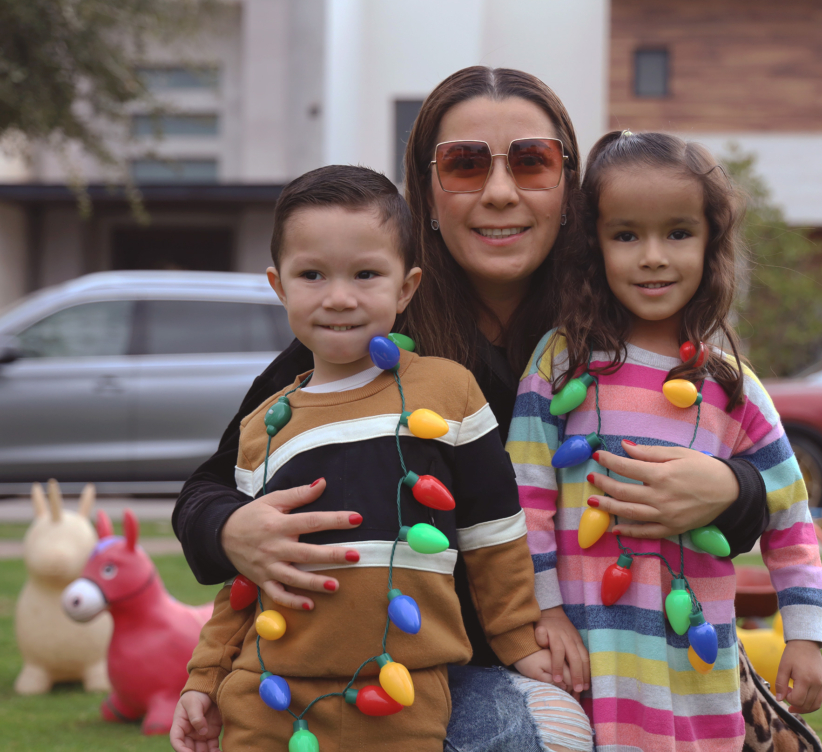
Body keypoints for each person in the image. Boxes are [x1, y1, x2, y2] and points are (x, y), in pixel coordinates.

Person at [172, 67, 768, 752]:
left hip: (618, 655)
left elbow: (758, 468)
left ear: (569, 189)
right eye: (464, 164)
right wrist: (230, 529)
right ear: (426, 192)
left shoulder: (625, 318)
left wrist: (732, 490)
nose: (500, 191)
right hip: (433, 671)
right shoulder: (363, 330)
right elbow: (211, 489)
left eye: (532, 161)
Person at [170, 165, 555, 752]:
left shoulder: (449, 392)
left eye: (366, 274)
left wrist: (518, 640)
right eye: (312, 275)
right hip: (266, 697)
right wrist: (205, 677)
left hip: (403, 697)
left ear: (406, 287)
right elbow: (246, 577)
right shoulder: (263, 425)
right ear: (279, 286)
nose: (339, 297)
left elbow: (494, 534)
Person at [509, 131, 822, 752]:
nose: (653, 257)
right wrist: (544, 613)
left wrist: (804, 636)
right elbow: (527, 498)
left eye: (678, 233)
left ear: (711, 243)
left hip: (696, 673)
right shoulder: (559, 364)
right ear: (594, 246)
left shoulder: (732, 387)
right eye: (626, 235)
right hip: (589, 656)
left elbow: (789, 513)